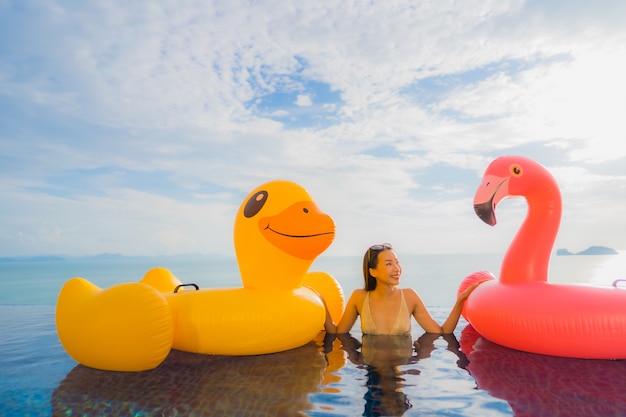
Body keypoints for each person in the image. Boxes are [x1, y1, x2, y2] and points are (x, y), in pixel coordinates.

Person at [324, 243, 480, 335]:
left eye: (397, 262)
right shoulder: (359, 297)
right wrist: (322, 303)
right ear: (373, 271)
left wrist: (461, 300)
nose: (397, 268)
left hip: (402, 371)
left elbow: (441, 332)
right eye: (389, 264)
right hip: (371, 373)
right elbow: (338, 334)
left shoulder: (409, 296)